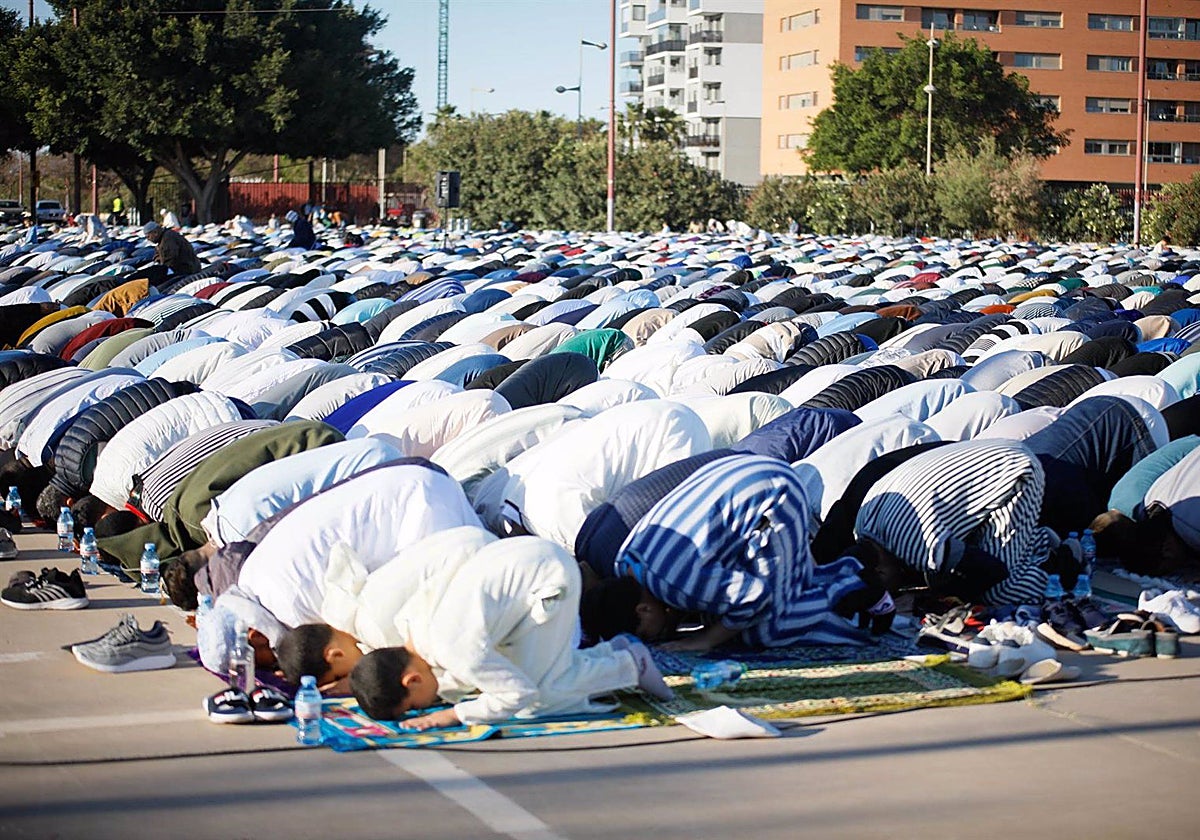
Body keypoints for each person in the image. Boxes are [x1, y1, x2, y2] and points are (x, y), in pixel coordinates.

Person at [349, 536, 671, 729]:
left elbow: (520, 694)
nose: (425, 707)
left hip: (546, 577)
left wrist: (453, 715)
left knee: (541, 695)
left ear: (412, 681)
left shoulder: (453, 649)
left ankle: (630, 666)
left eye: (415, 706)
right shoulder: (412, 624)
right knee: (530, 673)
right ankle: (610, 654)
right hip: (521, 556)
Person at [581, 455, 886, 652]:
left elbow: (754, 596)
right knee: (725, 615)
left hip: (774, 496)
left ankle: (851, 581)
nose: (657, 638)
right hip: (739, 474)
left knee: (766, 631)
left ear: (643, 611)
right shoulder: (625, 562)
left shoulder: (674, 585)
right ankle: (812, 582)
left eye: (649, 635)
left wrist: (704, 641)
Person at [854, 439, 1062, 605]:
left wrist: (949, 596)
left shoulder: (916, 546)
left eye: (890, 591)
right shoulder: (861, 525)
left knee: (998, 593)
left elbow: (992, 570)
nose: (896, 592)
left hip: (1016, 471)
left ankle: (1063, 567)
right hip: (989, 456)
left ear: (880, 572)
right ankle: (1034, 544)